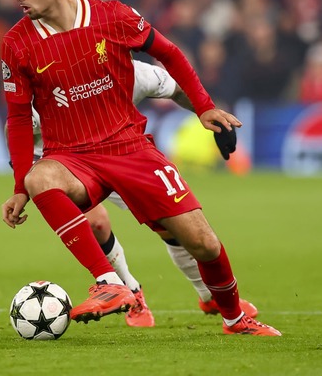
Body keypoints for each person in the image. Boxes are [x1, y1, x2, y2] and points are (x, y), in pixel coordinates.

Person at [0, 0, 281, 336]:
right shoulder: (17, 44)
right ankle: (111, 283)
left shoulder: (113, 18)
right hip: (71, 157)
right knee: (40, 178)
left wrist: (204, 107)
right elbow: (16, 118)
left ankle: (234, 318)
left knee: (202, 242)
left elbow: (169, 55)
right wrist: (19, 188)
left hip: (130, 149)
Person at [23, 59, 258, 328]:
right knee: (97, 223)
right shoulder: (60, 83)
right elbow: (16, 127)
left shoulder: (136, 72)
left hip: (120, 155)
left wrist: (208, 112)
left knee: (171, 227)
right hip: (68, 161)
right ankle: (132, 293)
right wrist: (24, 177)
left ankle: (209, 296)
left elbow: (178, 89)